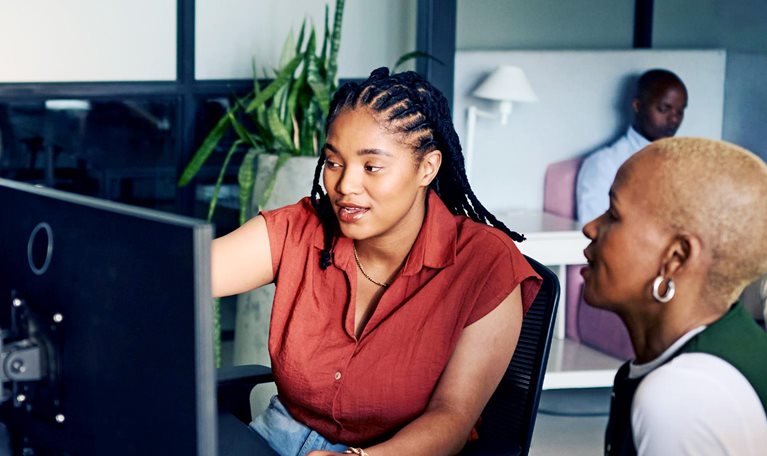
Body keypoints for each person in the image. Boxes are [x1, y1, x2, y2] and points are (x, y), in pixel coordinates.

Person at [212, 68, 541, 456]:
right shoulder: (301, 228)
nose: (346, 185)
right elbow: (177, 273)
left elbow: (451, 417)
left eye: (372, 167)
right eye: (333, 162)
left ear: (427, 168)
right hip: (276, 437)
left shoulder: (485, 263)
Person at [581, 137, 767, 455]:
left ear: (676, 258)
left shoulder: (682, 397)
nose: (590, 227)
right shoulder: (725, 343)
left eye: (613, 214)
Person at [576, 69, 688, 224]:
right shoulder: (604, 164)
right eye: (664, 109)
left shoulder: (685, 164)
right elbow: (593, 231)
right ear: (637, 106)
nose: (674, 119)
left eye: (680, 111)